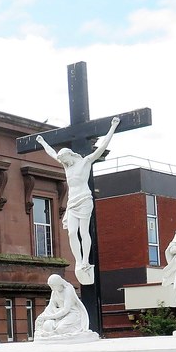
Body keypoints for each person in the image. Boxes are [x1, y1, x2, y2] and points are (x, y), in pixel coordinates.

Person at [36, 116, 121, 285]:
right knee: (71, 232)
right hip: (72, 202)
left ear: (69, 155)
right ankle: (79, 261)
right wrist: (43, 142)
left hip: (84, 199)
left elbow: (102, 147)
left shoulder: (85, 162)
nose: (63, 163)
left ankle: (85, 261)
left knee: (83, 232)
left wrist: (113, 127)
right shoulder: (66, 167)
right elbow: (53, 154)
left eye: (64, 160)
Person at [34, 274, 90, 340]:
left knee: (61, 328)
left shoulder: (68, 290)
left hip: (72, 313)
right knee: (47, 325)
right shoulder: (54, 291)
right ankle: (52, 334)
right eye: (50, 286)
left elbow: (66, 310)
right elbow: (50, 306)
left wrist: (49, 317)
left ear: (58, 283)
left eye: (53, 286)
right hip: (58, 314)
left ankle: (55, 334)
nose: (52, 288)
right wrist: (42, 316)